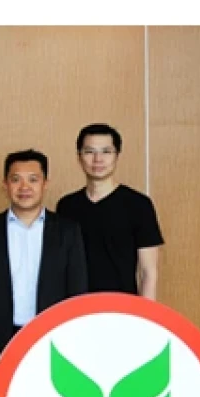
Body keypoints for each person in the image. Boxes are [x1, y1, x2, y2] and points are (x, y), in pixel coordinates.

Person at [0, 149, 88, 388]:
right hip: (1, 342)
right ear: (5, 185)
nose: (24, 187)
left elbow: (77, 292)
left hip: (52, 340)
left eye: (33, 179)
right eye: (16, 179)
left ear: (45, 184)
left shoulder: (68, 231)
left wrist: (72, 345)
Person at [56, 123, 164, 299]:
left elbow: (148, 272)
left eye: (106, 152)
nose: (98, 159)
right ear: (79, 157)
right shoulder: (67, 206)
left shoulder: (139, 205)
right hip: (77, 307)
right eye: (89, 152)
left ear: (117, 155)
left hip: (122, 306)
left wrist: (145, 315)